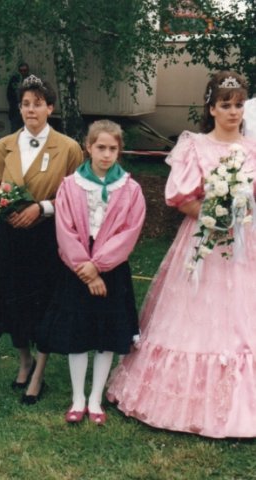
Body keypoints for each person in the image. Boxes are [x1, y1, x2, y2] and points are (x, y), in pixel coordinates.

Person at [106, 71, 256, 438]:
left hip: (246, 241)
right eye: (225, 105)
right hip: (203, 240)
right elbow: (180, 197)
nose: (234, 112)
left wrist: (241, 213)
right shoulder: (194, 145)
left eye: (238, 105)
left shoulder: (253, 148)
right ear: (211, 108)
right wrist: (212, 216)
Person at [0, 74, 83, 404]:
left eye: (38, 104)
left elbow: (78, 195)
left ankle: (39, 373)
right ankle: (23, 360)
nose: (31, 110)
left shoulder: (68, 148)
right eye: (25, 104)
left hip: (47, 238)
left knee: (45, 302)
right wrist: (0, 209)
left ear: (50, 107)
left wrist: (42, 208)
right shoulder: (1, 147)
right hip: (11, 236)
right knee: (13, 300)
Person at [37, 120, 146, 424]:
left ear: (119, 151)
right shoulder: (70, 185)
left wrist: (98, 266)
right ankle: (77, 398)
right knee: (78, 332)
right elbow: (65, 228)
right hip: (77, 267)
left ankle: (96, 399)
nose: (107, 154)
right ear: (88, 147)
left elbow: (128, 232)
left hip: (110, 268)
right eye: (101, 147)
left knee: (106, 334)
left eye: (113, 149)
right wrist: (84, 268)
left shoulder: (130, 189)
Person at [6, 62, 30, 133]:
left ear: (27, 70)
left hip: (27, 110)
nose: (23, 72)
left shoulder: (30, 80)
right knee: (15, 131)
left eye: (25, 70)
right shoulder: (14, 79)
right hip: (15, 110)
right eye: (21, 70)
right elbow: (9, 94)